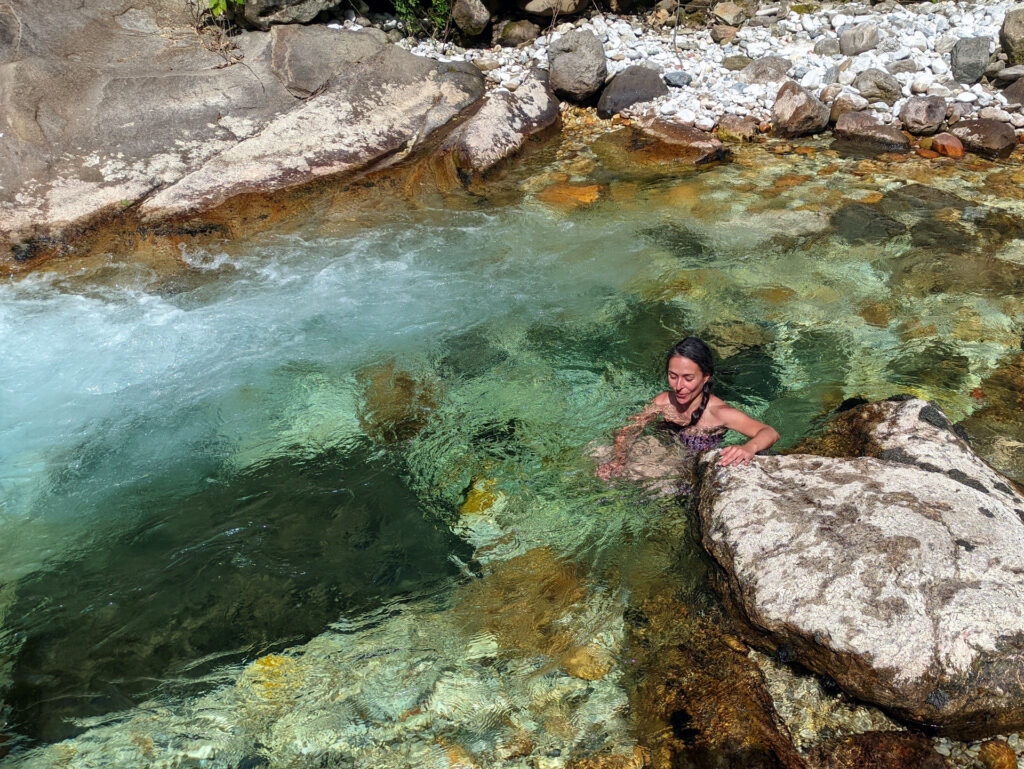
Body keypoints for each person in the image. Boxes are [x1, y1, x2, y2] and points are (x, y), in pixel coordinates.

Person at [595, 337, 779, 481]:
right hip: (662, 452)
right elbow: (628, 430)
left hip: (686, 468)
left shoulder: (719, 413)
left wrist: (748, 447)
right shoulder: (663, 401)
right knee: (598, 452)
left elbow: (769, 432)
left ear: (705, 377)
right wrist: (617, 460)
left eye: (688, 378)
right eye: (672, 376)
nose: (678, 386)